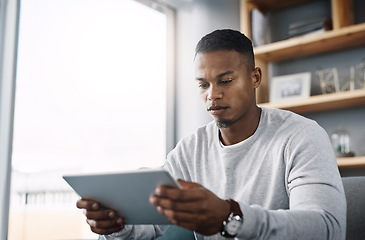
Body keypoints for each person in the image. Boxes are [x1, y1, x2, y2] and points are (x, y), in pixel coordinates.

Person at [76, 29, 346, 239]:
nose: (212, 95)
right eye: (203, 84)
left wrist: (231, 217)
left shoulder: (302, 136)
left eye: (225, 81)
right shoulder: (190, 150)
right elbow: (151, 227)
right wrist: (116, 225)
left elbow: (326, 228)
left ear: (255, 78)